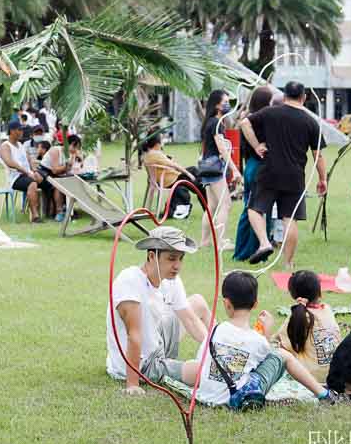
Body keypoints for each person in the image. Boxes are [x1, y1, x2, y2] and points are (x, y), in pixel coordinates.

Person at [175, 271, 337, 407]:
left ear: (226, 303)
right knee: (283, 355)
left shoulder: (214, 331)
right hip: (237, 398)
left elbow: (202, 364)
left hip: (207, 396)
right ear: (255, 304)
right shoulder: (257, 340)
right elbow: (267, 359)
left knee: (189, 365)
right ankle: (323, 394)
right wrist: (266, 334)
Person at [107, 226, 210, 394]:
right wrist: (133, 384)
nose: (177, 266)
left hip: (156, 341)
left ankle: (224, 348)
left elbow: (190, 319)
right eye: (171, 259)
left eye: (180, 258)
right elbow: (134, 335)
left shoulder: (171, 279)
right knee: (203, 372)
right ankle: (224, 368)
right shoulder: (130, 281)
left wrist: (214, 349)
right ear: (152, 256)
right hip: (142, 363)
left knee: (197, 302)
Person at [240, 80, 325, 269]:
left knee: (255, 209)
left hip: (268, 171)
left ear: (284, 96)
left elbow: (245, 122)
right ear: (303, 98)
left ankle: (264, 242)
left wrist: (256, 146)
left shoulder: (270, 112)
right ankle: (288, 263)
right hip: (295, 176)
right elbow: (317, 154)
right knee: (289, 218)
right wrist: (322, 179)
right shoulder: (310, 121)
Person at [270, 270, 341, 385]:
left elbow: (279, 342)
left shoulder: (298, 317)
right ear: (319, 293)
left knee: (277, 352)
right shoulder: (327, 309)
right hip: (335, 373)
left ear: (293, 295)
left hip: (310, 378)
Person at [233, 86, 276, 260]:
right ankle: (252, 250)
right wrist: (258, 145)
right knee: (256, 210)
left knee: (249, 209)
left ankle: (244, 250)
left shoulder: (251, 118)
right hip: (259, 167)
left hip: (251, 166)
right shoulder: (258, 120)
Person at [199, 90, 239, 251]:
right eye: (225, 102)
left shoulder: (210, 122)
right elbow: (221, 148)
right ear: (216, 104)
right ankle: (221, 241)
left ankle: (205, 241)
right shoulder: (215, 123)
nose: (228, 104)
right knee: (225, 204)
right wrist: (234, 169)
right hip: (215, 167)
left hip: (207, 166)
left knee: (212, 206)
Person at [140, 133, 197, 220]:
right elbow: (174, 165)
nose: (163, 142)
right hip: (171, 180)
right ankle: (205, 192)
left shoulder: (148, 154)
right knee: (193, 171)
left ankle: (203, 190)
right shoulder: (155, 154)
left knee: (194, 177)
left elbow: (168, 164)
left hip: (167, 179)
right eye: (162, 140)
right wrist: (189, 174)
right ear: (157, 144)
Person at [0, 119, 43, 222]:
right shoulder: (5, 146)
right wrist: (27, 172)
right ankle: (35, 216)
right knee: (32, 184)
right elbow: (10, 162)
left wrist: (35, 172)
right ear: (12, 131)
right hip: (15, 178)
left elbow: (29, 160)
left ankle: (54, 211)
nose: (22, 132)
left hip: (27, 174)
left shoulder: (20, 145)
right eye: (20, 130)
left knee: (46, 180)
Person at [41, 133, 83, 218]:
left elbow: (67, 170)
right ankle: (59, 212)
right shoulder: (55, 151)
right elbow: (55, 170)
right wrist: (68, 166)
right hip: (44, 174)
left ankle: (68, 208)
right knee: (59, 185)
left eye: (77, 148)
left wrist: (78, 162)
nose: (75, 150)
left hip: (57, 175)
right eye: (74, 147)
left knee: (71, 182)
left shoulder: (70, 155)